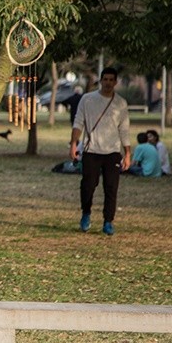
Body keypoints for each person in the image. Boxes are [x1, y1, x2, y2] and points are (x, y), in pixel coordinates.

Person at [69, 66, 131, 236]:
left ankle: (108, 221)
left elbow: (124, 129)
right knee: (88, 185)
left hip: (112, 152)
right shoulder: (87, 100)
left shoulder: (121, 103)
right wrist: (74, 144)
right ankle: (86, 213)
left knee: (111, 187)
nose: (108, 83)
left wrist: (127, 153)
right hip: (91, 150)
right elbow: (78, 122)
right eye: (105, 79)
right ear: (101, 80)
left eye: (112, 80)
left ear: (115, 82)